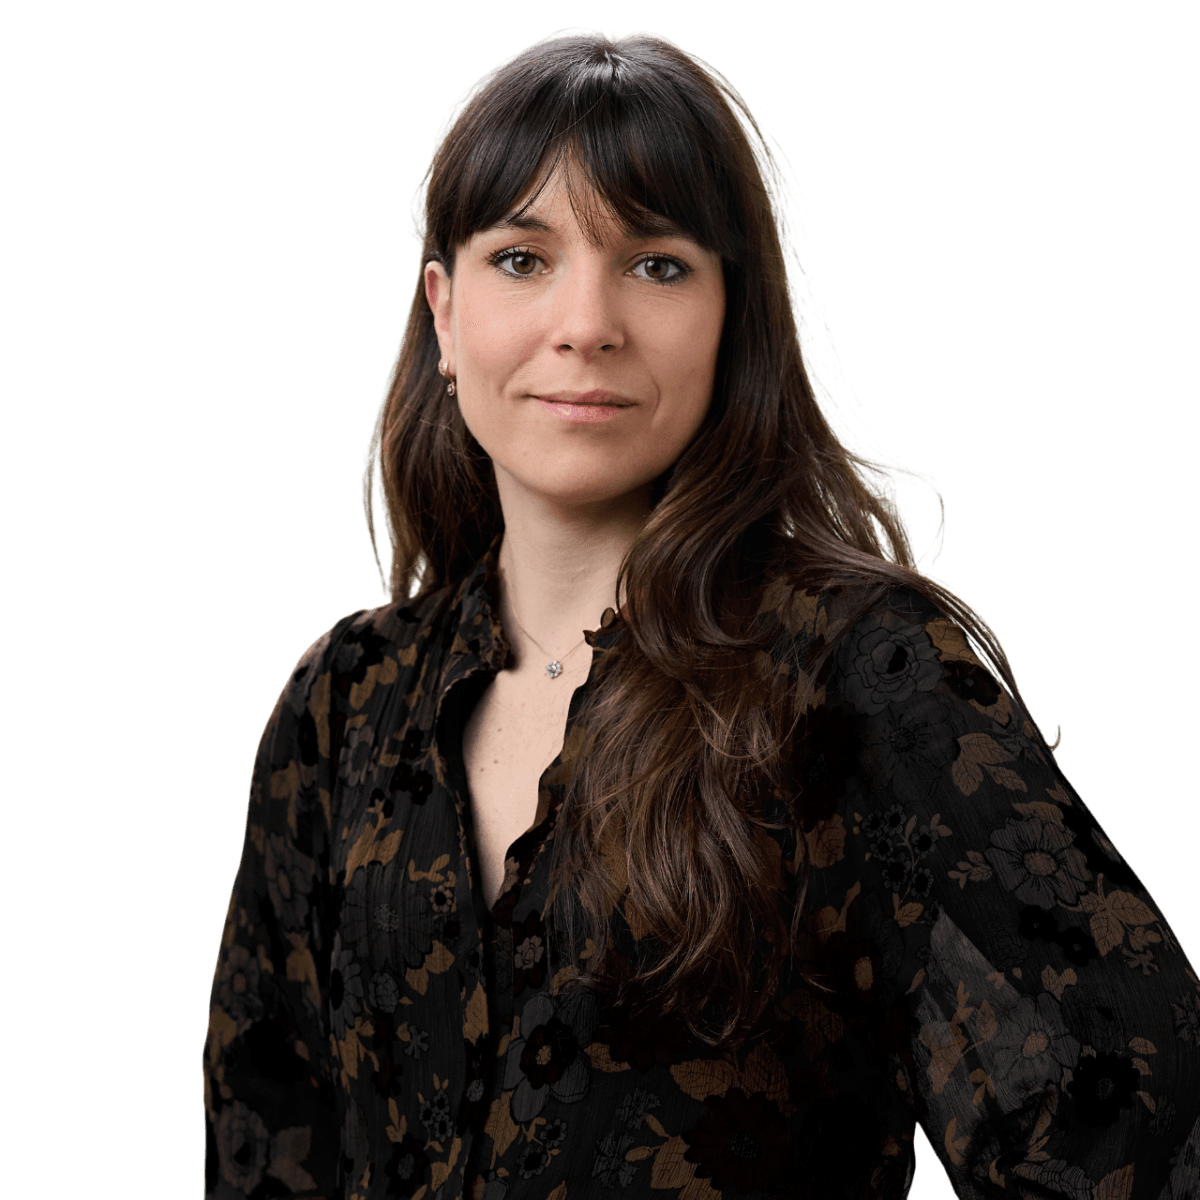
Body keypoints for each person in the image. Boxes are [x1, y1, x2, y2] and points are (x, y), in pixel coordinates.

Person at [202, 28, 1200, 1200]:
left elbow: (1138, 1113)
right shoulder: (341, 705)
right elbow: (262, 1144)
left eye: (657, 264)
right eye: (522, 258)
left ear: (733, 316)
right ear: (443, 313)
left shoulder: (865, 671)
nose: (587, 322)